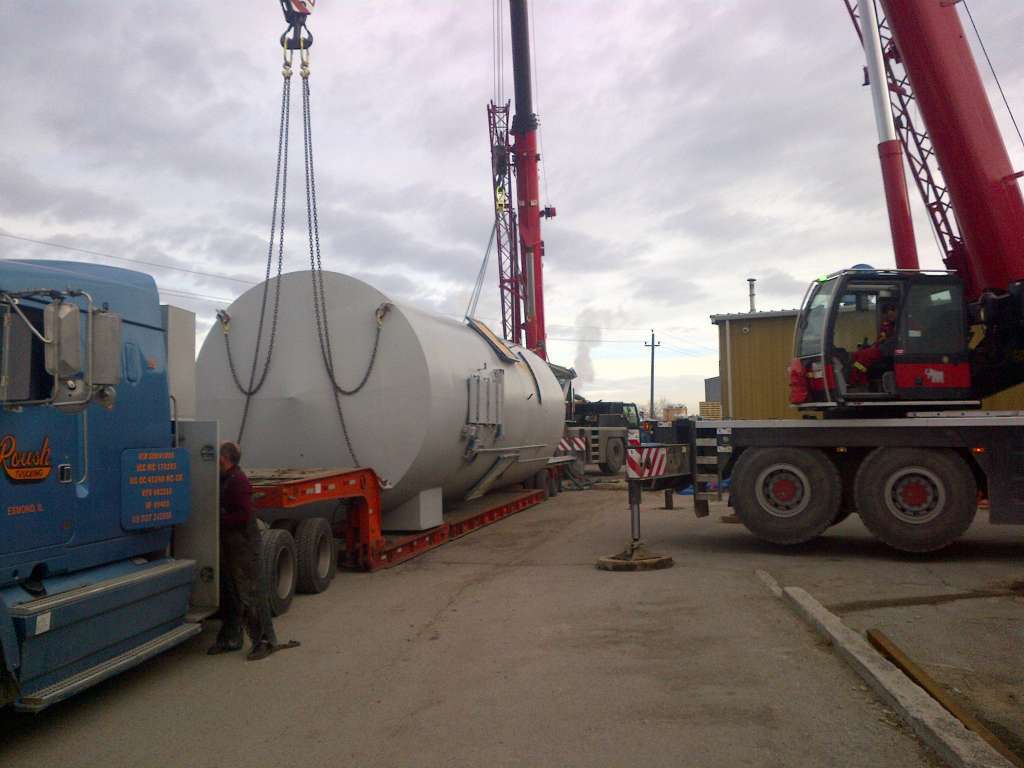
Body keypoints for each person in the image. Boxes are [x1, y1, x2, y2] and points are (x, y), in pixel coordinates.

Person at [208, 441, 293, 661]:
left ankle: (265, 641)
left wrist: (219, 520)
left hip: (244, 546)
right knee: (231, 594)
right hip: (231, 545)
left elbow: (243, 515)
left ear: (224, 458)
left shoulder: (238, 481)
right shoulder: (225, 478)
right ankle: (231, 637)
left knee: (251, 595)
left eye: (217, 455)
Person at [849, 301, 898, 387]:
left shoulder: (899, 325)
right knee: (856, 354)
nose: (888, 316)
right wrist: (873, 345)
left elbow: (887, 338)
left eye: (891, 313)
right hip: (881, 347)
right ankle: (862, 379)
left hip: (886, 350)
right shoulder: (887, 324)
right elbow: (881, 338)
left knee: (862, 359)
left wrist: (877, 343)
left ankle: (856, 380)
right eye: (886, 314)